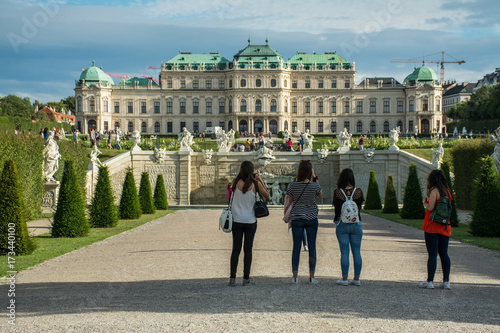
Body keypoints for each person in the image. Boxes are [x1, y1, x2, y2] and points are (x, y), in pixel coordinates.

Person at [229, 161, 269, 286]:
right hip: (250, 221)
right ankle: (246, 278)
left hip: (236, 220)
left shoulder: (235, 183)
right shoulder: (255, 184)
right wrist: (260, 179)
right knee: (248, 250)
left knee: (236, 249)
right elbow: (267, 195)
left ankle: (232, 278)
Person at [285, 160, 323, 284]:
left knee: (296, 247)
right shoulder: (314, 185)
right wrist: (315, 177)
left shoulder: (292, 185)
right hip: (311, 218)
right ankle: (312, 277)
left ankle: (295, 276)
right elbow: (320, 195)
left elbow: (290, 199)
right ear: (310, 171)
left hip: (297, 218)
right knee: (312, 247)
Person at [419, 169, 452, 290]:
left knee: (432, 254)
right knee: (444, 253)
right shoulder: (447, 191)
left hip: (432, 226)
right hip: (445, 226)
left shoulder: (434, 191)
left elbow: (431, 207)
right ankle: (446, 281)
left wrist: (425, 203)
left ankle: (430, 281)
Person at [333, 168, 365, 286]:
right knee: (357, 252)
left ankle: (345, 278)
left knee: (344, 252)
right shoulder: (358, 191)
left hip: (342, 224)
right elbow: (360, 206)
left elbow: (336, 209)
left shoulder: (338, 192)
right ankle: (356, 279)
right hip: (356, 224)